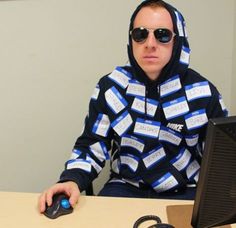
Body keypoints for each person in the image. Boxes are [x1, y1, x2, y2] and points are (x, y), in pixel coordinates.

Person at [38, 0, 228, 213]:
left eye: (162, 34)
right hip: (124, 189)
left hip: (185, 194)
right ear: (131, 39)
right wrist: (72, 179)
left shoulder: (203, 93)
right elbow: (92, 144)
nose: (150, 44)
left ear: (178, 40)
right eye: (140, 34)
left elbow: (221, 158)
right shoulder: (111, 88)